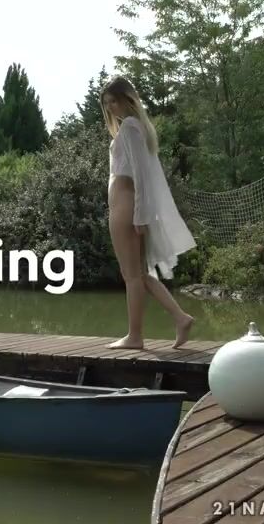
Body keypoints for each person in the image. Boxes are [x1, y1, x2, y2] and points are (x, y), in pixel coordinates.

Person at [101, 77, 197, 350]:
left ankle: (135, 336)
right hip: (125, 206)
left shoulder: (130, 127)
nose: (110, 108)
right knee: (139, 273)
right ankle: (181, 318)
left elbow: (141, 176)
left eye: (114, 101)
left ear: (127, 98)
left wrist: (140, 216)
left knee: (131, 275)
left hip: (125, 207)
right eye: (107, 104)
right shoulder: (133, 127)